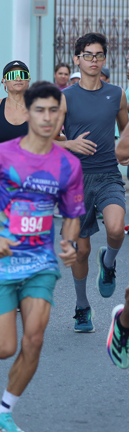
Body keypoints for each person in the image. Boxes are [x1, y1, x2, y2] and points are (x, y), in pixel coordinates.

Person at [0, 82, 83, 432]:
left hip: (41, 262)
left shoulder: (68, 164)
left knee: (34, 338)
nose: (47, 117)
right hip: (0, 261)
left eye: (54, 111)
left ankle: (4, 413)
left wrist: (69, 241)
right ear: (27, 113)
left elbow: (73, 212)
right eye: (40, 110)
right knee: (4, 350)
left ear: (62, 116)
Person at [60, 32, 128, 332]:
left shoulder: (117, 94)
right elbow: (44, 137)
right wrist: (70, 145)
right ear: (77, 59)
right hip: (75, 180)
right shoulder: (64, 97)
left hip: (109, 174)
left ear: (104, 59)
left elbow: (126, 132)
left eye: (99, 55)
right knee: (81, 250)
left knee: (116, 228)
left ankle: (109, 263)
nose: (94, 61)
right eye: (88, 55)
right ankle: (82, 307)